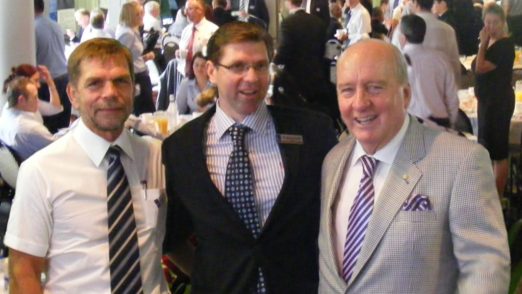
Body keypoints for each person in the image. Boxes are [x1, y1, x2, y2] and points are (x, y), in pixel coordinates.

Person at [318, 39, 509, 293]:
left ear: (405, 94)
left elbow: (485, 269)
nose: (360, 103)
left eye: (375, 88)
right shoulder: (333, 160)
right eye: (347, 90)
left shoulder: (461, 162)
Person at [162, 21, 338, 293]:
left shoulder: (313, 133)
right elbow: (174, 238)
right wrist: (212, 275)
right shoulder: (181, 149)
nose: (252, 77)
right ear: (211, 71)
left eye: (260, 66)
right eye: (238, 66)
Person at [4, 38, 168, 293]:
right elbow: (24, 272)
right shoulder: (41, 171)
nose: (110, 92)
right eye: (94, 83)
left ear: (133, 88)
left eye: (121, 81)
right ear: (73, 95)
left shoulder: (157, 157)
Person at [273, 0, 340, 125]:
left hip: (294, 83)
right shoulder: (318, 23)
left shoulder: (287, 23)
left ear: (288, 2)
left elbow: (282, 55)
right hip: (316, 79)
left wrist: (274, 58)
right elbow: (323, 51)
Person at [472, 3, 515, 198]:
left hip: (498, 103)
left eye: (495, 22)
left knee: (498, 151)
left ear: (503, 23)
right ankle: (487, 195)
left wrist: (482, 44)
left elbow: (480, 67)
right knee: (486, 149)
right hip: (487, 103)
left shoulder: (505, 45)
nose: (491, 26)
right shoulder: (489, 42)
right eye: (488, 22)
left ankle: (497, 198)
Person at [400, 14, 458, 128]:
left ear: (403, 37)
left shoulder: (397, 61)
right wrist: (450, 123)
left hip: (411, 125)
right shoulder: (441, 59)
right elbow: (452, 98)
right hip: (441, 123)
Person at [34, 0, 71, 133]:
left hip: (47, 83)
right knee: (63, 123)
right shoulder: (56, 25)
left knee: (49, 126)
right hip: (64, 76)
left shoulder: (32, 29)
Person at [0, 77, 55, 161]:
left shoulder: (7, 109)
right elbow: (57, 146)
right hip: (40, 165)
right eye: (35, 97)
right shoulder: (30, 128)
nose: (38, 101)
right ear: (21, 100)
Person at [117, 1, 156, 115]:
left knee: (147, 108)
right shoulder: (127, 34)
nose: (142, 16)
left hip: (141, 72)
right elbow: (122, 58)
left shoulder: (133, 30)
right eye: (139, 13)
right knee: (144, 110)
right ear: (132, 16)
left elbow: (132, 56)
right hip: (137, 76)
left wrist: (144, 58)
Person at [177, 0, 218, 77]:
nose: (186, 13)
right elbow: (182, 53)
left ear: (200, 10)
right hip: (185, 75)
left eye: (189, 9)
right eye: (186, 9)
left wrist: (193, 54)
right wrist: (179, 54)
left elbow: (216, 55)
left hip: (204, 75)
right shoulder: (186, 30)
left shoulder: (213, 30)